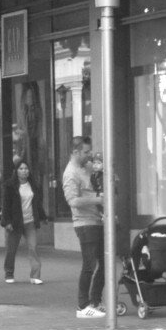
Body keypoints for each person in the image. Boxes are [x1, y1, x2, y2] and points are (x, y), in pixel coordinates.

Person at [63, 136, 105, 318]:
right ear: (75, 152)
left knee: (104, 262)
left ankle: (95, 301)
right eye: (86, 152)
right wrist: (98, 200)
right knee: (90, 264)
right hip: (84, 223)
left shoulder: (87, 167)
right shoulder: (70, 173)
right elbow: (73, 200)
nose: (89, 156)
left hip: (97, 220)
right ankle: (82, 306)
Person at [0, 159, 48, 285]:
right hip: (15, 222)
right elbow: (5, 205)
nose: (24, 171)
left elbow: (37, 203)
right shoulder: (9, 186)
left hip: (30, 221)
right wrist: (7, 222)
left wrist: (43, 217)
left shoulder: (33, 185)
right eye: (21, 169)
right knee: (11, 249)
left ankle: (35, 275)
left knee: (33, 247)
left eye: (26, 168)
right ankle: (9, 273)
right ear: (16, 171)